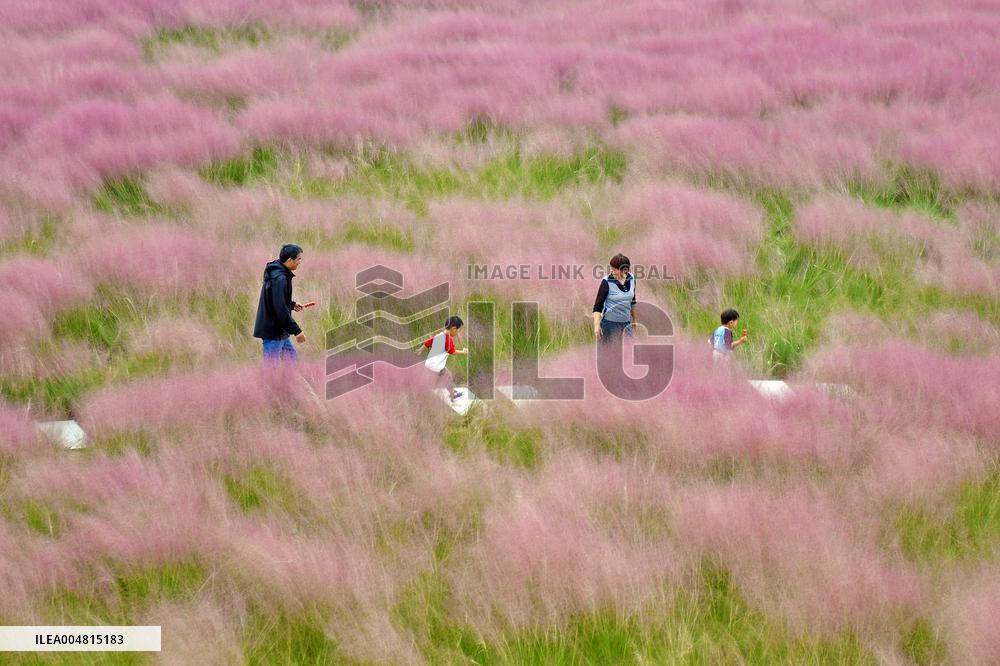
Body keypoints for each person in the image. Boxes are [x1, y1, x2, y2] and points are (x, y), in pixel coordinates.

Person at [253, 243, 307, 362]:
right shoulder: (280, 278)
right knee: (272, 370)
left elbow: (277, 300)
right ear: (289, 260)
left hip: (280, 330)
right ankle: (273, 381)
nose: (299, 262)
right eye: (298, 259)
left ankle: (286, 381)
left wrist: (292, 305)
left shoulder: (279, 271)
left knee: (291, 359)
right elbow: (280, 309)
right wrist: (297, 331)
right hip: (273, 332)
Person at [418, 316, 469, 402]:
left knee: (444, 377)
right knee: (447, 376)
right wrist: (463, 352)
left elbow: (427, 343)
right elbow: (452, 351)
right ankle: (452, 394)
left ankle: (451, 392)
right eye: (458, 330)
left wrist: (420, 350)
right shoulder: (448, 339)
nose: (458, 332)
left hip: (429, 364)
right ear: (453, 328)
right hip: (436, 366)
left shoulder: (439, 335)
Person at [593, 253, 636, 344]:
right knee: (612, 353)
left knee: (631, 349)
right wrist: (596, 327)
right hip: (610, 324)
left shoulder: (632, 278)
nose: (613, 271)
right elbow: (597, 306)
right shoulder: (607, 281)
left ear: (625, 270)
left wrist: (634, 320)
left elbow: (632, 301)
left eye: (616, 269)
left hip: (626, 323)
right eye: (612, 268)